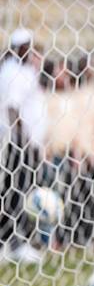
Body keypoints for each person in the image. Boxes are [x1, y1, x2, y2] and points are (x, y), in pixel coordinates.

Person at [0, 28, 47, 263]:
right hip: (18, 141)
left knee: (21, 190)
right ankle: (13, 242)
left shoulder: (26, 70)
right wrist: (22, 140)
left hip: (27, 141)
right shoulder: (13, 71)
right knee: (16, 191)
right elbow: (12, 108)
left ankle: (16, 240)